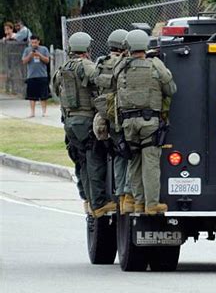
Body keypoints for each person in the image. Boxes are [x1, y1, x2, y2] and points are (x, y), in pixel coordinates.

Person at [53, 32, 116, 217]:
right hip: (86, 121)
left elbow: (55, 89)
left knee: (81, 162)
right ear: (86, 49)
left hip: (69, 122)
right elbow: (100, 82)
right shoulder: (86, 66)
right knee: (94, 160)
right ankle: (99, 204)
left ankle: (87, 199)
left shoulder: (62, 68)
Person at [114, 29, 177, 215]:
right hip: (149, 122)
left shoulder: (121, 66)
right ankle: (151, 204)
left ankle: (136, 203)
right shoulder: (155, 65)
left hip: (127, 123)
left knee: (134, 162)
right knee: (150, 164)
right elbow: (171, 89)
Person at [92, 29, 134, 214]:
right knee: (130, 154)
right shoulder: (124, 64)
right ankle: (128, 195)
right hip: (124, 114)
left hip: (106, 115)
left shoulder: (100, 64)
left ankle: (119, 194)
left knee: (117, 154)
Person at [21, 35, 50, 117]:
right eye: (32, 42)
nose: (34, 44)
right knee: (31, 95)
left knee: (43, 95)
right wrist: (30, 55)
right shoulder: (27, 50)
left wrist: (39, 55)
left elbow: (47, 60)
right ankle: (32, 112)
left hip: (42, 75)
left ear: (38, 42)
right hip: (31, 75)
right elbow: (24, 61)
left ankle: (44, 112)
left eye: (35, 42)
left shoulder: (44, 49)